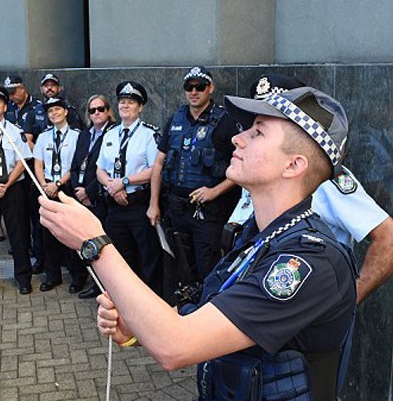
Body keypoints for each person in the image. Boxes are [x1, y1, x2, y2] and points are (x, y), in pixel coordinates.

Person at [40, 86, 358, 400]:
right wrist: (137, 326)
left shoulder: (310, 262)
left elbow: (175, 347)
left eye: (258, 132)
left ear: (294, 165)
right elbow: (204, 316)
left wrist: (95, 244)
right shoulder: (258, 235)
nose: (238, 138)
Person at [229, 74, 393, 305]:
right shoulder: (259, 172)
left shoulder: (324, 182)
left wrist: (342, 304)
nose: (242, 137)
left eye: (263, 128)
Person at [147, 66, 240, 290]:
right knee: (179, 265)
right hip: (175, 208)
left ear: (211, 88)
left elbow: (242, 167)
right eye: (189, 87)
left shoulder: (225, 122)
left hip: (207, 211)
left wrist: (214, 192)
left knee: (206, 266)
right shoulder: (176, 119)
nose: (194, 92)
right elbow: (159, 163)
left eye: (200, 87)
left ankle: (207, 313)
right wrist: (153, 204)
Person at [96, 81, 163, 295]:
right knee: (121, 259)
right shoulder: (110, 134)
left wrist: (124, 182)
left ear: (140, 107)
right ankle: (125, 302)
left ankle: (151, 305)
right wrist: (111, 186)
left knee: (148, 259)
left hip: (138, 205)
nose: (125, 106)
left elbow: (155, 170)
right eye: (122, 102)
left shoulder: (149, 135)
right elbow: (99, 170)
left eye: (131, 102)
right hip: (114, 207)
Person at [0, 85, 33, 296]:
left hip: (13, 189)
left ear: (5, 105)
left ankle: (23, 278)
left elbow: (22, 161)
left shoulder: (15, 131)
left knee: (19, 235)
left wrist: (6, 185)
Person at [32, 97, 84, 293]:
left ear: (66, 112)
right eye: (50, 111)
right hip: (46, 189)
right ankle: (52, 276)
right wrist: (44, 184)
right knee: (49, 235)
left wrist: (59, 183)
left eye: (57, 109)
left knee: (71, 234)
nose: (54, 113)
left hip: (66, 189)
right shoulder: (44, 137)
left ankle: (77, 277)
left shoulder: (77, 136)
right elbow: (38, 163)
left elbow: (76, 166)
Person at [69, 94, 116, 299]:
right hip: (81, 196)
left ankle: (101, 287)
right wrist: (77, 190)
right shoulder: (85, 134)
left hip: (99, 198)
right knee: (81, 241)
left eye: (100, 109)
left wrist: (89, 192)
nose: (96, 113)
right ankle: (81, 278)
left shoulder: (113, 133)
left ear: (108, 110)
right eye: (92, 110)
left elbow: (107, 169)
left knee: (99, 245)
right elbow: (75, 165)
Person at [4, 75, 45, 274]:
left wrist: (25, 139)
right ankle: (24, 248)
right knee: (19, 217)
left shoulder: (37, 108)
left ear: (23, 88)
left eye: (14, 92)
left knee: (36, 216)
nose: (11, 97)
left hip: (34, 169)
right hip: (14, 171)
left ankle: (39, 256)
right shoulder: (9, 108)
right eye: (8, 94)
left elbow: (38, 141)